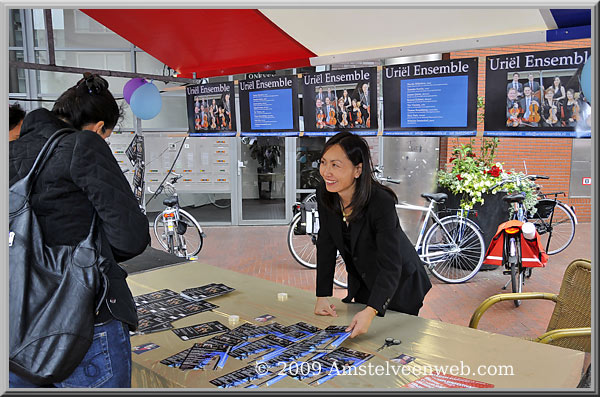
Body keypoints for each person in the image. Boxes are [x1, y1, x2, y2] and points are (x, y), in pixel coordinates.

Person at [9, 73, 150, 388]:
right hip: (83, 318)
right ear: (99, 127)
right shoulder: (82, 146)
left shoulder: (10, 152)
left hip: (16, 322)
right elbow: (130, 237)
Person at [314, 132, 432, 338]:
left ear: (357, 170)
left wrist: (372, 310)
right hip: (364, 281)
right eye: (323, 163)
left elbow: (391, 264)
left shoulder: (380, 201)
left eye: (335, 165)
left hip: (400, 285)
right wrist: (322, 295)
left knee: (395, 343)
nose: (326, 172)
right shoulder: (326, 194)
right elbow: (326, 242)